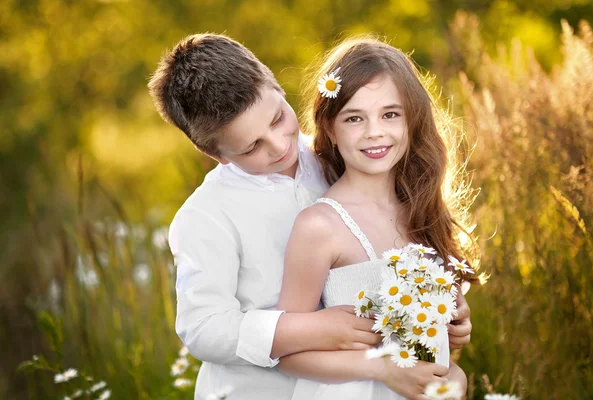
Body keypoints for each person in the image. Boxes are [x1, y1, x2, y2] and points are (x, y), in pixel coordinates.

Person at [148, 33, 473, 400]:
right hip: (257, 391)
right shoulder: (205, 216)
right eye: (252, 146)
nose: (280, 145)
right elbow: (204, 328)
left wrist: (441, 314)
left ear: (277, 87)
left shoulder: (339, 156)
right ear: (215, 153)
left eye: (278, 119)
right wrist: (309, 329)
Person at [276, 37, 475, 400]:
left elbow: (427, 345)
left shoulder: (423, 209)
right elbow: (286, 354)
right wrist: (380, 367)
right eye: (355, 118)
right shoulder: (320, 226)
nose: (375, 132)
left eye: (390, 114)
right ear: (331, 130)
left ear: (412, 121)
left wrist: (453, 350)